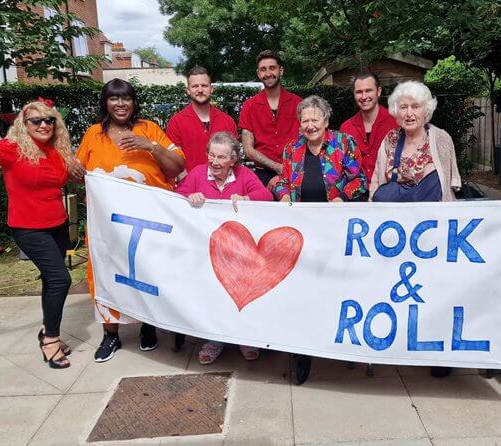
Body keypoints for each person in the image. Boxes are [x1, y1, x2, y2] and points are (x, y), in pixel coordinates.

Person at [0, 98, 85, 369]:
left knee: (50, 280)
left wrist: (80, 174)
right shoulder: (11, 149)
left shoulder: (57, 150)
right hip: (29, 228)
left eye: (49, 120)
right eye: (36, 121)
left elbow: (73, 177)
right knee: (60, 280)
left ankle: (46, 330)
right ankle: (51, 341)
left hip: (57, 224)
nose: (43, 125)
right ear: (24, 124)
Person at [75, 79, 185, 363]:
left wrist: (149, 146)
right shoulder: (93, 135)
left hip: (147, 222)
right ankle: (110, 334)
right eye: (113, 98)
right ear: (106, 103)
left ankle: (148, 325)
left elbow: (177, 166)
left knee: (147, 273)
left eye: (125, 98)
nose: (120, 104)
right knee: (106, 275)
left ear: (134, 102)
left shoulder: (148, 129)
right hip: (108, 227)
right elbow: (78, 175)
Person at [369, 80, 461, 377]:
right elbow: (376, 185)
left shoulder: (441, 139)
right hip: (397, 242)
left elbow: (451, 184)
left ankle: (438, 355)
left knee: (434, 294)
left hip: (433, 238)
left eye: (416, 106)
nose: (410, 113)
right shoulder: (389, 141)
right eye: (404, 107)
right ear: (396, 110)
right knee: (401, 295)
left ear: (426, 110)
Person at [274, 95, 367, 383]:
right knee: (303, 293)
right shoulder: (292, 149)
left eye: (315, 119)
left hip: (336, 230)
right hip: (303, 231)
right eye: (305, 120)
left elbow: (360, 180)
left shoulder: (344, 144)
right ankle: (302, 352)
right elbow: (284, 181)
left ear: (327, 121)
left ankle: (343, 346)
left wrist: (340, 195)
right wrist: (284, 193)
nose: (310, 125)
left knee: (336, 289)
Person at [175, 132, 272, 364]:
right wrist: (190, 196)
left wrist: (248, 199)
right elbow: (177, 197)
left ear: (233, 160)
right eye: (212, 155)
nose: (215, 162)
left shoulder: (243, 174)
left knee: (244, 291)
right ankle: (214, 339)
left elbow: (266, 194)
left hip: (240, 251)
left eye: (221, 157)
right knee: (211, 293)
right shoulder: (198, 173)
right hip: (205, 252)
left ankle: (244, 337)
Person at [239, 50, 301, 189]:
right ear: (258, 73)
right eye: (263, 69)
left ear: (281, 70)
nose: (268, 73)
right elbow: (248, 150)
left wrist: (287, 169)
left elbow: (307, 142)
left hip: (295, 171)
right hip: (262, 175)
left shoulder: (298, 104)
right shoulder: (249, 106)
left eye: (272, 68)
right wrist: (277, 167)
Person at [166, 66, 238, 174]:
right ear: (188, 90)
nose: (200, 90)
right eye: (195, 86)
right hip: (191, 188)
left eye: (204, 86)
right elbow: (175, 161)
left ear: (211, 89)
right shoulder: (176, 122)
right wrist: (189, 186)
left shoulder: (227, 121)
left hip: (224, 187)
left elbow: (234, 157)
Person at [340, 70, 398, 185]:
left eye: (368, 91)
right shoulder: (346, 128)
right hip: (356, 193)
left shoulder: (395, 123)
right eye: (359, 92)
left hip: (388, 190)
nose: (364, 96)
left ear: (378, 91)